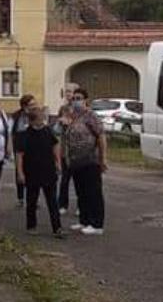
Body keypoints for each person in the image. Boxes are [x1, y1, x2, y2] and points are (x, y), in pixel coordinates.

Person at [16, 103, 65, 239]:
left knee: (52, 202)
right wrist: (20, 172)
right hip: (31, 172)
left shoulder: (48, 131)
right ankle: (31, 226)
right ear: (32, 120)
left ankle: (57, 228)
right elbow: (19, 155)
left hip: (48, 171)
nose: (42, 121)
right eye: (40, 119)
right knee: (31, 201)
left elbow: (55, 145)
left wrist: (58, 163)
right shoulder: (24, 135)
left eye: (43, 118)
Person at [63, 87, 107, 235]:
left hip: (90, 160)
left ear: (86, 100)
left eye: (79, 98)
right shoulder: (72, 116)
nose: (76, 101)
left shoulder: (91, 116)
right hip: (76, 161)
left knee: (93, 191)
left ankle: (97, 224)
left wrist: (103, 158)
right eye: (74, 98)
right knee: (81, 192)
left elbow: (100, 136)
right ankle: (84, 220)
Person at [55, 82, 80, 215]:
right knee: (64, 179)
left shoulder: (80, 108)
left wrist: (70, 122)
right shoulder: (63, 108)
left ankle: (80, 205)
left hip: (78, 149)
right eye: (66, 91)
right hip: (65, 148)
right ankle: (62, 204)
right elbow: (57, 130)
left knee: (79, 181)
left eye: (70, 91)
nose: (68, 94)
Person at [10, 94, 37, 207]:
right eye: (31, 104)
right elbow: (12, 131)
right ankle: (20, 197)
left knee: (33, 172)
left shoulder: (35, 115)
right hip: (20, 147)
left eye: (34, 104)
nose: (33, 106)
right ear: (24, 106)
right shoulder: (16, 116)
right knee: (19, 171)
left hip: (33, 147)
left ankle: (32, 199)